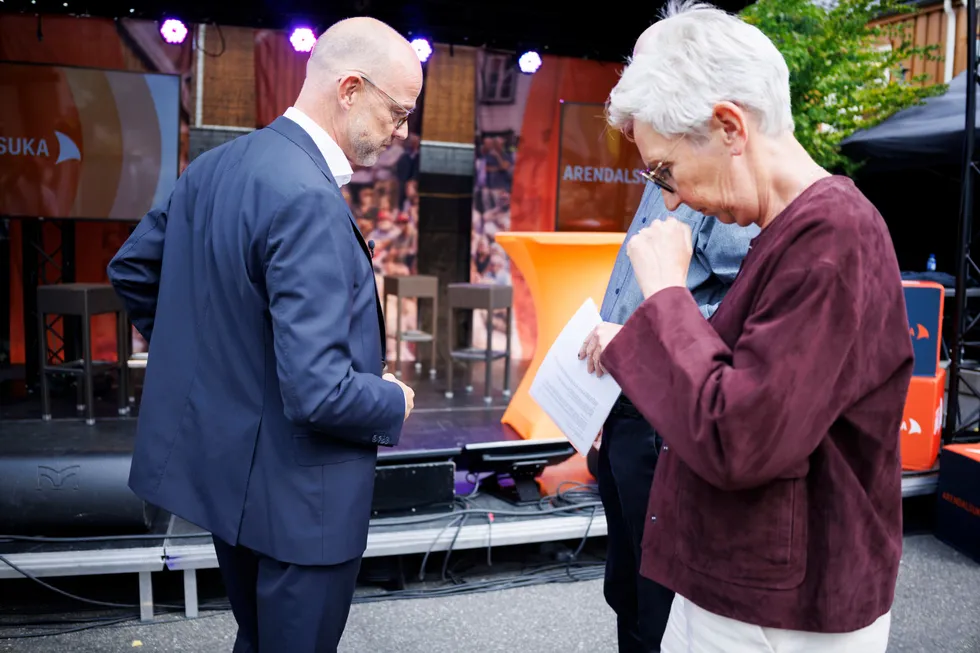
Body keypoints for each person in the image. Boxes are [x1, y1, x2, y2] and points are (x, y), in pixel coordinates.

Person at [585, 1, 914, 651]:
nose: (671, 199)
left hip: (779, 613)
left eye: (666, 171)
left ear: (730, 126)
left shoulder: (832, 234)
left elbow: (742, 437)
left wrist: (669, 297)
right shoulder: (795, 231)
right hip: (756, 591)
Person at [107, 17, 421, 653]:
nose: (402, 133)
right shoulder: (307, 197)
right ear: (350, 88)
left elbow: (134, 272)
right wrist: (395, 401)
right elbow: (320, 393)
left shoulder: (217, 165)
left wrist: (219, 366)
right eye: (398, 112)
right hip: (304, 500)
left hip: (236, 485)